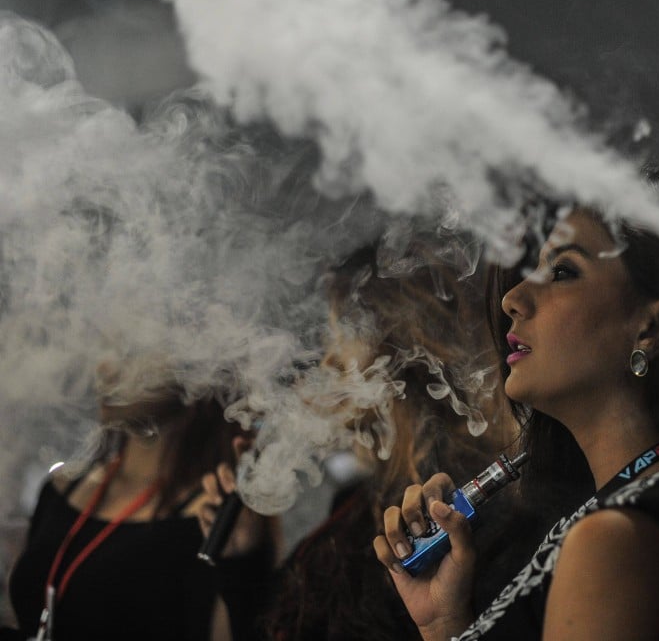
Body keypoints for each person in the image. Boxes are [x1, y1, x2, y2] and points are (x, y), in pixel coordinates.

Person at [374, 165, 659, 640]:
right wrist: (444, 623)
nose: (512, 300)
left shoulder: (622, 538)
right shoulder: (619, 516)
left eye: (562, 271)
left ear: (651, 326)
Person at [201, 241, 545, 641]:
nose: (327, 363)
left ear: (401, 350)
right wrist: (247, 556)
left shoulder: (464, 514)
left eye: (339, 337)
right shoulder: (354, 502)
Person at [3, 354, 246, 641]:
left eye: (132, 351)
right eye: (107, 344)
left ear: (196, 364)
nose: (105, 367)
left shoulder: (213, 518)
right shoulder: (62, 488)